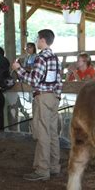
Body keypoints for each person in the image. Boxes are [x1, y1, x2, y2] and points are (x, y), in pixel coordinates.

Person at [11, 29, 63, 181]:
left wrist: (18, 69)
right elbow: (59, 81)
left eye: (37, 38)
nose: (37, 41)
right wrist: (57, 97)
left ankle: (42, 169)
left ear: (42, 40)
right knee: (53, 133)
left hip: (42, 97)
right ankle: (54, 166)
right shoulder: (55, 58)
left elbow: (34, 80)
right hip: (53, 97)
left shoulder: (41, 58)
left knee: (42, 133)